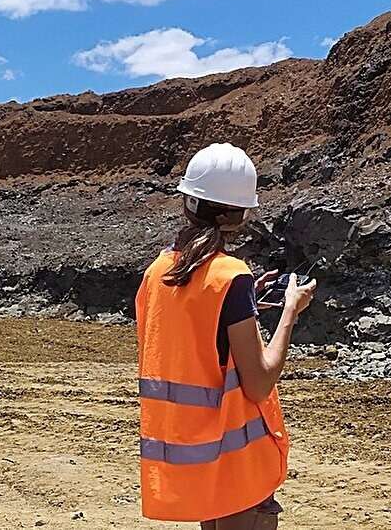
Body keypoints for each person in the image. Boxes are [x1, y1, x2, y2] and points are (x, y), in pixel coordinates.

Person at [136, 143, 319, 529]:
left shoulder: (158, 271)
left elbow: (191, 338)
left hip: (192, 454)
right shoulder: (230, 275)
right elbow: (259, 381)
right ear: (239, 214)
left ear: (188, 201)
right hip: (235, 460)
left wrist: (246, 304)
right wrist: (290, 311)